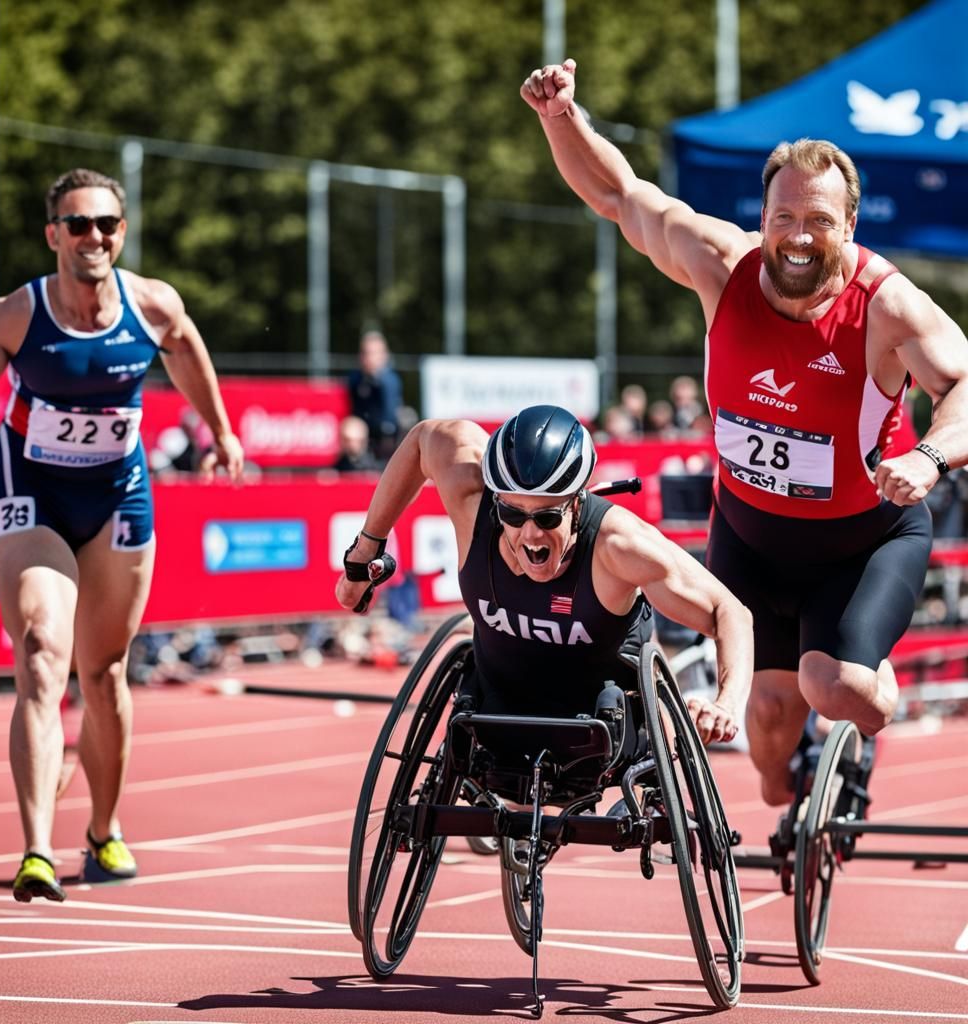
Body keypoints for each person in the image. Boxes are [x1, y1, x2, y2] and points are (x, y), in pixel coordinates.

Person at [522, 60, 968, 808]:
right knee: (764, 736)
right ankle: (794, 788)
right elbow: (618, 195)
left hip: (862, 543)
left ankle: (865, 699)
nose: (799, 238)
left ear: (849, 226)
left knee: (839, 689)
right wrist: (561, 117)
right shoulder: (719, 266)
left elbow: (962, 381)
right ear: (762, 219)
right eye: (784, 218)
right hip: (753, 539)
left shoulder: (886, 306)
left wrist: (928, 456)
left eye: (820, 222)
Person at [0, 167, 245, 902]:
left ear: (122, 231)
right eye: (77, 225)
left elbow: (188, 350)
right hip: (35, 494)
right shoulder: (17, 312)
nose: (93, 237)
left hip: (118, 494)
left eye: (106, 224)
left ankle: (103, 833)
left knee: (104, 671)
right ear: (54, 235)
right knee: (45, 649)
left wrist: (222, 431)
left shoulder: (151, 304)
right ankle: (37, 851)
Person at [336, 404, 752, 745]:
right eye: (513, 514)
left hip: (599, 712)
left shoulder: (619, 546)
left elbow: (730, 612)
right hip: (499, 698)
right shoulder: (471, 501)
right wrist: (366, 549)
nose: (530, 533)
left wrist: (726, 705)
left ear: (576, 503)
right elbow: (426, 438)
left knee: (658, 717)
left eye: (548, 516)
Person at [347, 329, 403, 461]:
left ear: (384, 355)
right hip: (362, 437)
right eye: (365, 353)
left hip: (386, 440)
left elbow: (389, 418)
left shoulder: (389, 381)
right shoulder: (356, 380)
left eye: (372, 353)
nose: (368, 358)